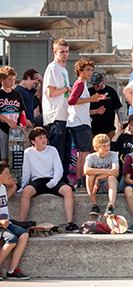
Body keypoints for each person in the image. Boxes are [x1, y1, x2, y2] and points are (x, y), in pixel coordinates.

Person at [19, 127, 77, 231]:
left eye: (45, 137)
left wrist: (53, 182)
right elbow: (26, 172)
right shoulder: (28, 152)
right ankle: (22, 223)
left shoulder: (52, 150)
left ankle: (70, 223)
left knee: (67, 190)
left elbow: (59, 169)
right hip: (37, 181)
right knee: (26, 191)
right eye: (40, 138)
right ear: (33, 141)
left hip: (52, 180)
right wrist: (23, 187)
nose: (44, 140)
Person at [68, 58, 105, 189]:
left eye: (91, 70)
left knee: (81, 154)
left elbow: (79, 106)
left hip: (77, 122)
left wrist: (95, 111)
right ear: (80, 71)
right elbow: (71, 101)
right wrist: (92, 98)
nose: (90, 73)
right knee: (84, 154)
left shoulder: (80, 84)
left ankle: (80, 182)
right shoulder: (80, 84)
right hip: (81, 124)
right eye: (88, 70)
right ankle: (83, 181)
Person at [42, 39, 73, 184]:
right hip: (55, 115)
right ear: (55, 52)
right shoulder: (53, 68)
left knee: (66, 152)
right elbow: (50, 92)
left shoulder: (63, 70)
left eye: (67, 51)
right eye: (62, 51)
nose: (65, 54)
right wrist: (67, 89)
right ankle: (56, 180)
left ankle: (64, 180)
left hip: (65, 115)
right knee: (57, 151)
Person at [0, 161, 29, 280]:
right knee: (12, 239)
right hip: (1, 224)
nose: (10, 176)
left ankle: (12, 270)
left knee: (24, 234)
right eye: (7, 173)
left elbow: (7, 196)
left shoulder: (2, 187)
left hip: (6, 223)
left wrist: (13, 185)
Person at [84, 133, 119, 218]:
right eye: (104, 146)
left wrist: (98, 177)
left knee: (111, 177)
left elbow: (115, 171)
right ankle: (95, 205)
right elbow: (86, 171)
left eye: (108, 145)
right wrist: (106, 171)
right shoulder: (90, 157)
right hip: (96, 187)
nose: (107, 148)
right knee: (90, 176)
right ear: (96, 148)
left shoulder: (113, 155)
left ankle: (111, 206)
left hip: (109, 184)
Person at [0, 66, 27, 163]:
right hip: (2, 127)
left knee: (15, 155)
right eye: (9, 79)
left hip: (15, 129)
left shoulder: (17, 94)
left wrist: (23, 126)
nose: (12, 82)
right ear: (2, 80)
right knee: (4, 155)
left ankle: (14, 176)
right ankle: (4, 175)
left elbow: (22, 111)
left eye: (14, 79)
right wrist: (8, 122)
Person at [88, 72, 121, 138]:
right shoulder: (89, 92)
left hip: (109, 131)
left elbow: (118, 108)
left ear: (102, 81)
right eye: (93, 84)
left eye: (97, 84)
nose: (95, 86)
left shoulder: (111, 91)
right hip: (93, 131)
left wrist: (121, 121)